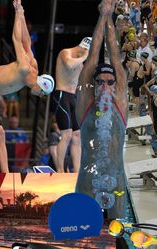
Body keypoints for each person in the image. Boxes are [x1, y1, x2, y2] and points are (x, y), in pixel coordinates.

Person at [0, 0, 54, 173]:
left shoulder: (33, 65)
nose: (39, 96)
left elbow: (27, 42)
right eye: (41, 93)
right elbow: (17, 39)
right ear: (40, 85)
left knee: (0, 132)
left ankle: (6, 173)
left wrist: (23, 16)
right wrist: (17, 12)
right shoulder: (25, 68)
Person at [75, 0, 128, 219]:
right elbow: (92, 57)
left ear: (116, 85)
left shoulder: (120, 104)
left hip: (117, 184)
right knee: (86, 242)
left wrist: (109, 17)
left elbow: (115, 56)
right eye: (100, 82)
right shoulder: (86, 105)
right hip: (88, 181)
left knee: (120, 242)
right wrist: (102, 16)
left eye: (110, 81)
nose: (105, 86)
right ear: (94, 85)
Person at [51, 37, 91, 173]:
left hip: (73, 97)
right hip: (61, 96)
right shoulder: (65, 53)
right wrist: (84, 56)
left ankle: (77, 171)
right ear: (83, 48)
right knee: (66, 134)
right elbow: (68, 65)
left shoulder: (80, 63)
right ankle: (60, 170)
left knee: (77, 135)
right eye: (86, 53)